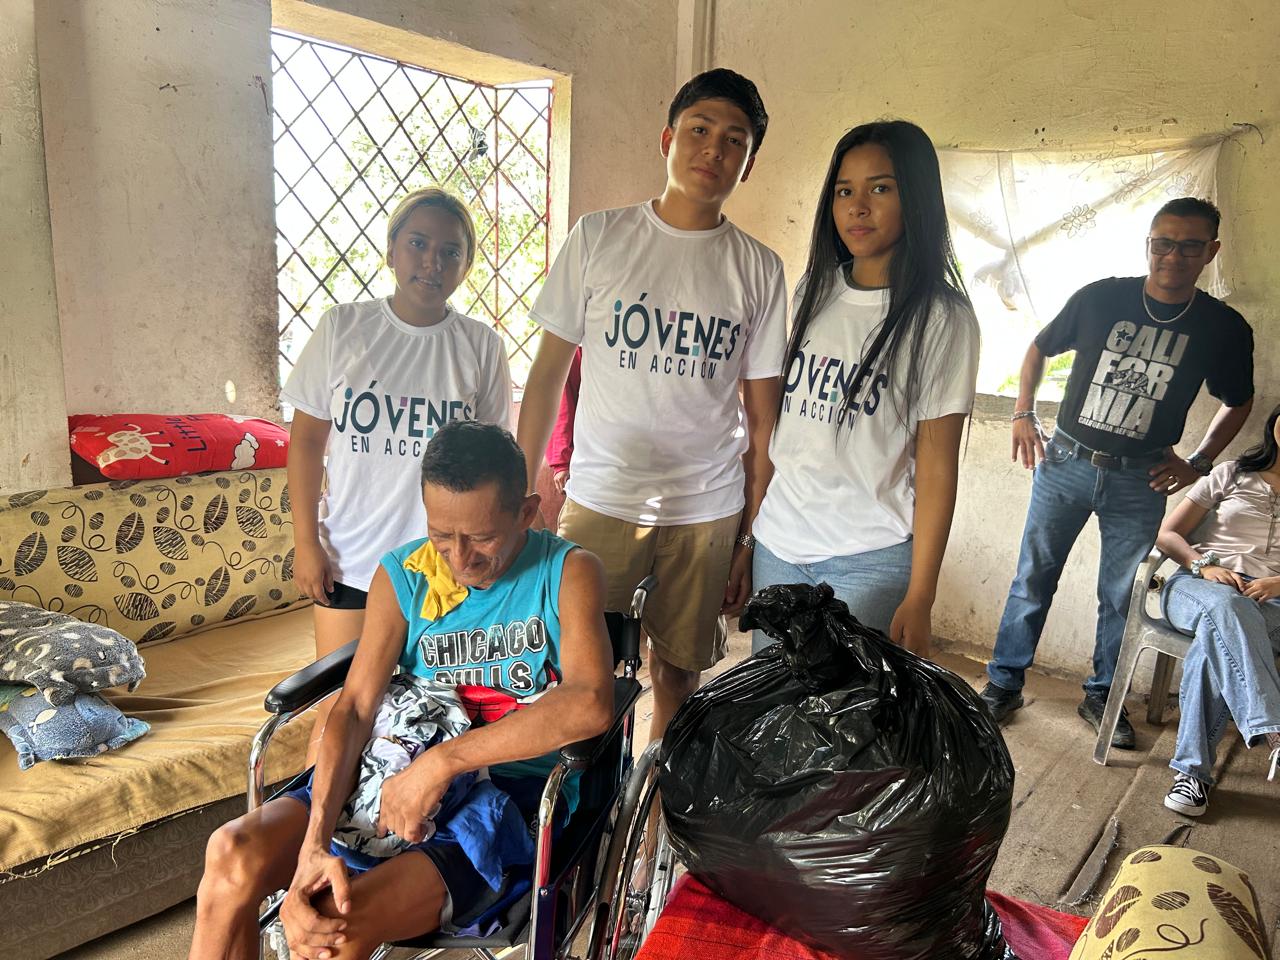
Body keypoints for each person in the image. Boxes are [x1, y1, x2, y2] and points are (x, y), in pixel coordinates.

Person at [188, 422, 613, 960]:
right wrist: (313, 844)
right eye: (442, 535)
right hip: (387, 768)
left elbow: (590, 701)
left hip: (506, 794)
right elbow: (356, 708)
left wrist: (441, 765)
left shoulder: (567, 572)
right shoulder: (404, 574)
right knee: (230, 853)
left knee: (334, 927)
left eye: (482, 537)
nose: (459, 558)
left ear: (527, 513)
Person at [515, 69, 788, 742]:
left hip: (707, 508)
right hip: (604, 498)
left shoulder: (759, 268)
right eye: (700, 130)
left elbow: (763, 421)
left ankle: (656, 806)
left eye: (734, 140)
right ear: (668, 139)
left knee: (678, 673)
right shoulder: (599, 237)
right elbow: (546, 377)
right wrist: (524, 486)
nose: (714, 150)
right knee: (583, 674)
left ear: (750, 162)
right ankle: (592, 801)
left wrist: (748, 535)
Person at [981, 197, 1255, 749]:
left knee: (1121, 594)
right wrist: (1022, 413)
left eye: (1189, 246)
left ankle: (1103, 695)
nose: (1173, 256)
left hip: (1140, 479)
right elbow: (1038, 348)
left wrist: (1198, 462)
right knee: (1034, 576)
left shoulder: (1222, 327)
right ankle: (1003, 683)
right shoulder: (1102, 297)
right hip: (1066, 462)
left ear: (1211, 252)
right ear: (1148, 244)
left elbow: (1239, 400)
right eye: (1163, 243)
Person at [283, 188, 513, 756]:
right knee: (340, 710)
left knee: (435, 711)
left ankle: (405, 813)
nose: (432, 262)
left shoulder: (480, 346)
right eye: (418, 243)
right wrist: (306, 542)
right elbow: (306, 442)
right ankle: (321, 812)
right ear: (391, 250)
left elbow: (491, 463)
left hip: (444, 566)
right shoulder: (343, 329)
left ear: (466, 266)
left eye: (451, 251)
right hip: (351, 559)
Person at [750, 120, 979, 655]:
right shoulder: (814, 290)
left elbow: (937, 465)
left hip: (867, 559)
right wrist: (750, 534)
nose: (857, 207)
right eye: (844, 191)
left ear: (915, 197)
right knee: (770, 700)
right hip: (778, 545)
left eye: (880, 188)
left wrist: (921, 595)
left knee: (845, 707)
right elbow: (783, 431)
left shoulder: (942, 318)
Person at [1153, 404, 1280, 816]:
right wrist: (1203, 566)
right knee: (1226, 608)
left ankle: (1192, 775)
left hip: (1270, 603)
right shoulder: (1232, 473)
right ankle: (1275, 730)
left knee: (1217, 639)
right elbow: (1168, 534)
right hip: (1198, 586)